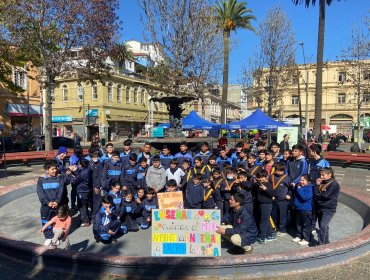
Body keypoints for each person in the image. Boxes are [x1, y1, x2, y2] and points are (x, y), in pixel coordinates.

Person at [37, 160, 71, 246]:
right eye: (52, 169)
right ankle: (48, 237)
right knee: (46, 221)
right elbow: (40, 193)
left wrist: (57, 201)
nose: (55, 170)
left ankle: (56, 236)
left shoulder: (59, 178)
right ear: (47, 170)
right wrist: (47, 202)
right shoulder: (41, 179)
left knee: (57, 221)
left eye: (56, 168)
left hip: (57, 205)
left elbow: (61, 191)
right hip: (46, 206)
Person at [314, 167, 340, 245]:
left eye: (323, 175)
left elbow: (326, 196)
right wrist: (317, 185)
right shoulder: (322, 182)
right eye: (321, 175)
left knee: (323, 226)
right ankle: (326, 242)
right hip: (320, 207)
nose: (321, 177)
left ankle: (321, 244)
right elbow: (316, 192)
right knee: (324, 227)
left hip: (329, 209)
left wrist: (318, 194)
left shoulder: (334, 184)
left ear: (330, 174)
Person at [270, 163, 292, 237]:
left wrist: (289, 194)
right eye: (277, 170)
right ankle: (275, 227)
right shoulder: (272, 176)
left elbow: (291, 188)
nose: (279, 172)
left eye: (281, 171)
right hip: (273, 199)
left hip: (283, 200)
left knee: (282, 215)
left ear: (284, 171)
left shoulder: (287, 178)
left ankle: (282, 230)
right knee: (274, 214)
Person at [255, 170, 276, 244]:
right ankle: (270, 234)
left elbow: (272, 194)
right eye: (259, 177)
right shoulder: (259, 184)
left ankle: (262, 237)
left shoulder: (268, 184)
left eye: (262, 177)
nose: (260, 179)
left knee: (263, 221)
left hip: (267, 205)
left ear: (266, 177)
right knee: (266, 220)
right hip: (261, 204)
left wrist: (265, 189)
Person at [292, 175, 313, 246]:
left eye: (303, 180)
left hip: (306, 209)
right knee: (298, 224)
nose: (301, 182)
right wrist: (294, 186)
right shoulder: (300, 187)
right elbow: (294, 191)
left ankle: (306, 239)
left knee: (306, 225)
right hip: (298, 209)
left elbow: (304, 197)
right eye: (300, 180)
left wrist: (299, 188)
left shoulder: (309, 188)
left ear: (308, 181)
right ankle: (299, 236)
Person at [70, 159, 92, 227]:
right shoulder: (88, 170)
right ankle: (87, 218)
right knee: (85, 205)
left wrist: (71, 176)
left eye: (79, 164)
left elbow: (75, 181)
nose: (78, 166)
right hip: (87, 190)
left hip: (82, 191)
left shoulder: (83, 173)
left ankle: (85, 221)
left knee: (82, 206)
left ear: (81, 165)